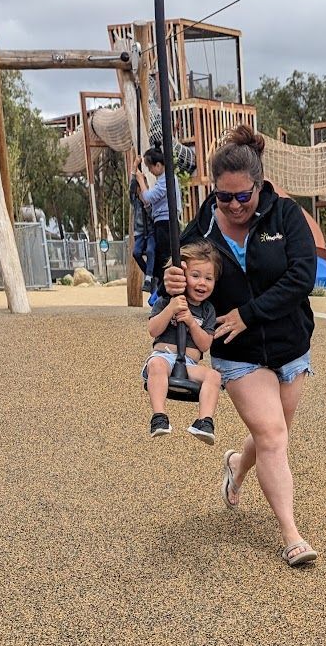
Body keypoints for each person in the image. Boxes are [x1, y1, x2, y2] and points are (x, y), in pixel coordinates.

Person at [163, 125, 319, 567]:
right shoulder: (204, 226)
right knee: (272, 435)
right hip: (238, 353)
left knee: (274, 433)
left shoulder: (286, 215)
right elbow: (179, 275)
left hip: (291, 346)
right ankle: (291, 536)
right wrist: (171, 278)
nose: (233, 206)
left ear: (259, 184)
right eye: (222, 197)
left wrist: (249, 312)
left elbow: (301, 278)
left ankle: (236, 464)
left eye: (242, 196)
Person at [143, 241, 222, 444]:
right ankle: (159, 416)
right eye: (195, 276)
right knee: (157, 365)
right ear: (183, 275)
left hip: (189, 365)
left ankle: (204, 421)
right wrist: (170, 309)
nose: (202, 283)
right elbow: (153, 330)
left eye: (209, 278)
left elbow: (205, 345)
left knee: (213, 376)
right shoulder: (166, 300)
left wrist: (190, 322)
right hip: (164, 358)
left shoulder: (208, 311)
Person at [133, 146, 172, 304]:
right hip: (159, 222)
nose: (149, 171)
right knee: (157, 255)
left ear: (158, 165)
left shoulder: (167, 180)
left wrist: (141, 181)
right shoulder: (161, 181)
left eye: (150, 168)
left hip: (165, 222)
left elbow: (148, 197)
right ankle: (156, 283)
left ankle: (160, 289)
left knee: (163, 256)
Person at [129, 161, 156, 292]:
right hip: (140, 232)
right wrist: (134, 169)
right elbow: (131, 187)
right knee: (136, 253)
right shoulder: (135, 202)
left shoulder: (150, 200)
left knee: (151, 250)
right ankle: (149, 274)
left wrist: (147, 206)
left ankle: (149, 278)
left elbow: (152, 215)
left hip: (150, 232)